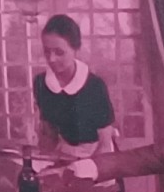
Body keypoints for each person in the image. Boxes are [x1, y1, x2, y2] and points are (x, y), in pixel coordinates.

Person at [31, 14, 118, 157]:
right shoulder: (41, 83)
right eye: (47, 51)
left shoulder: (95, 86)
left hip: (97, 157)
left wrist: (89, 167)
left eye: (59, 52)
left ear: (76, 49)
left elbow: (105, 144)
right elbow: (49, 137)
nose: (51, 59)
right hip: (63, 156)